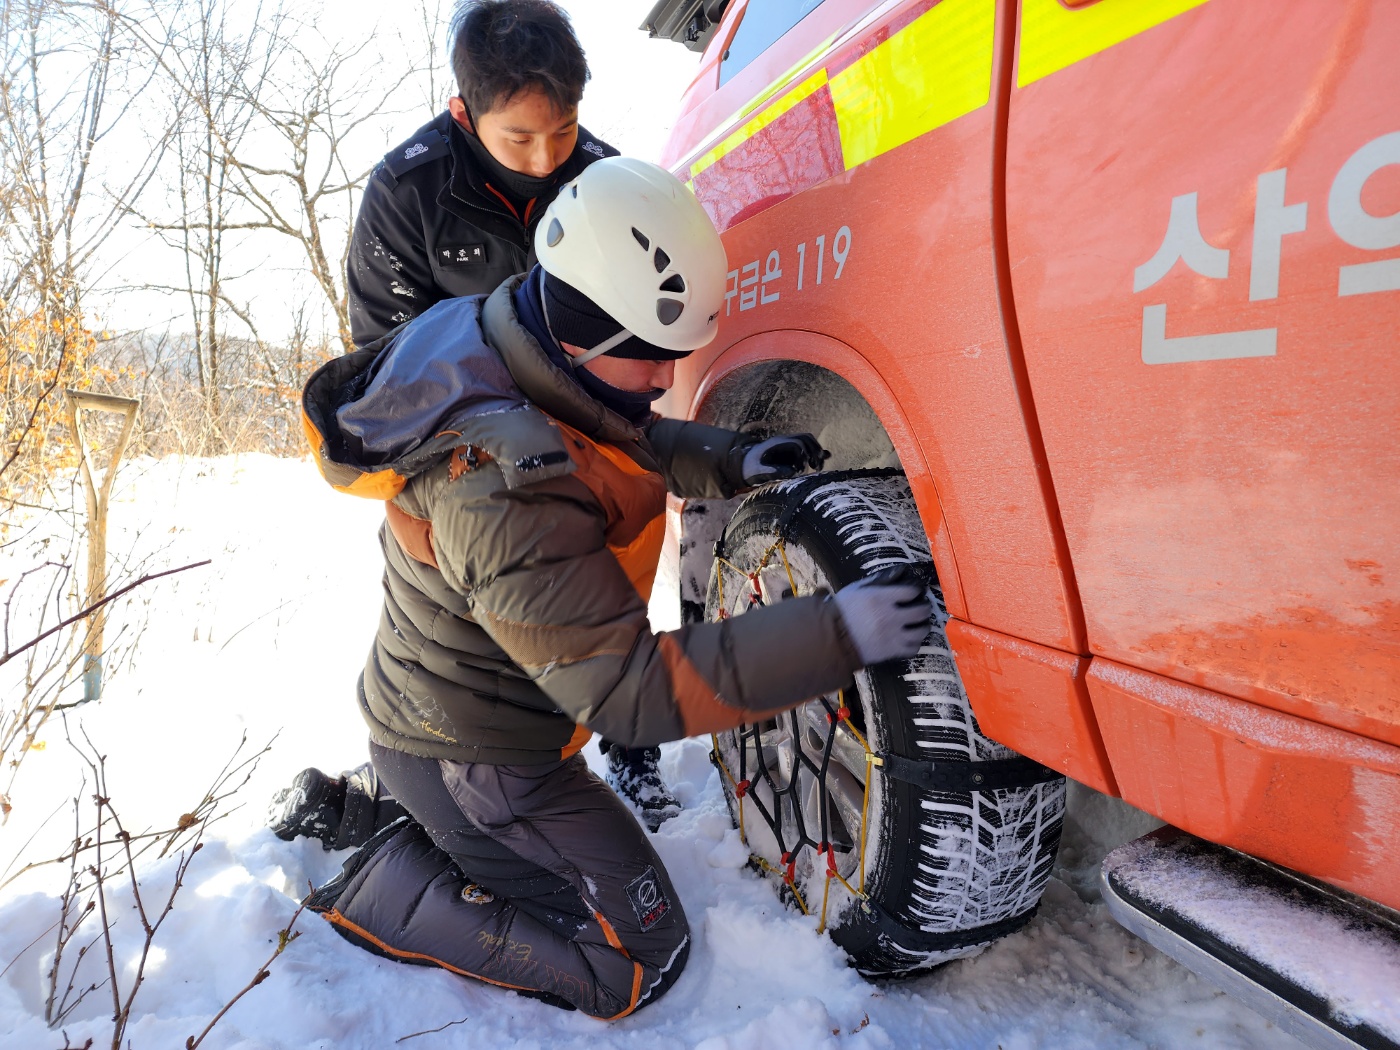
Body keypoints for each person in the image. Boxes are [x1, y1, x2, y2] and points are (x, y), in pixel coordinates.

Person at [295, 157, 933, 1018]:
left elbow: (612, 435)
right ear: (584, 337)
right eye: (653, 357)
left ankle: (412, 814)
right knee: (640, 956)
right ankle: (384, 885)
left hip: (472, 719)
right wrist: (834, 635)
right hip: (481, 760)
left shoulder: (512, 338)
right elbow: (629, 693)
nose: (668, 378)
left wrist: (728, 458)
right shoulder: (498, 486)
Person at [269, 0, 693, 839]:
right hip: (455, 453)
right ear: (465, 113)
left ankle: (625, 745)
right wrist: (490, 444)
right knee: (466, 629)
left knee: (612, 581)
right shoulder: (407, 192)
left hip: (589, 434)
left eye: (563, 131)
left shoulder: (604, 179)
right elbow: (389, 366)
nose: (545, 158)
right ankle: (430, 768)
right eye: (520, 138)